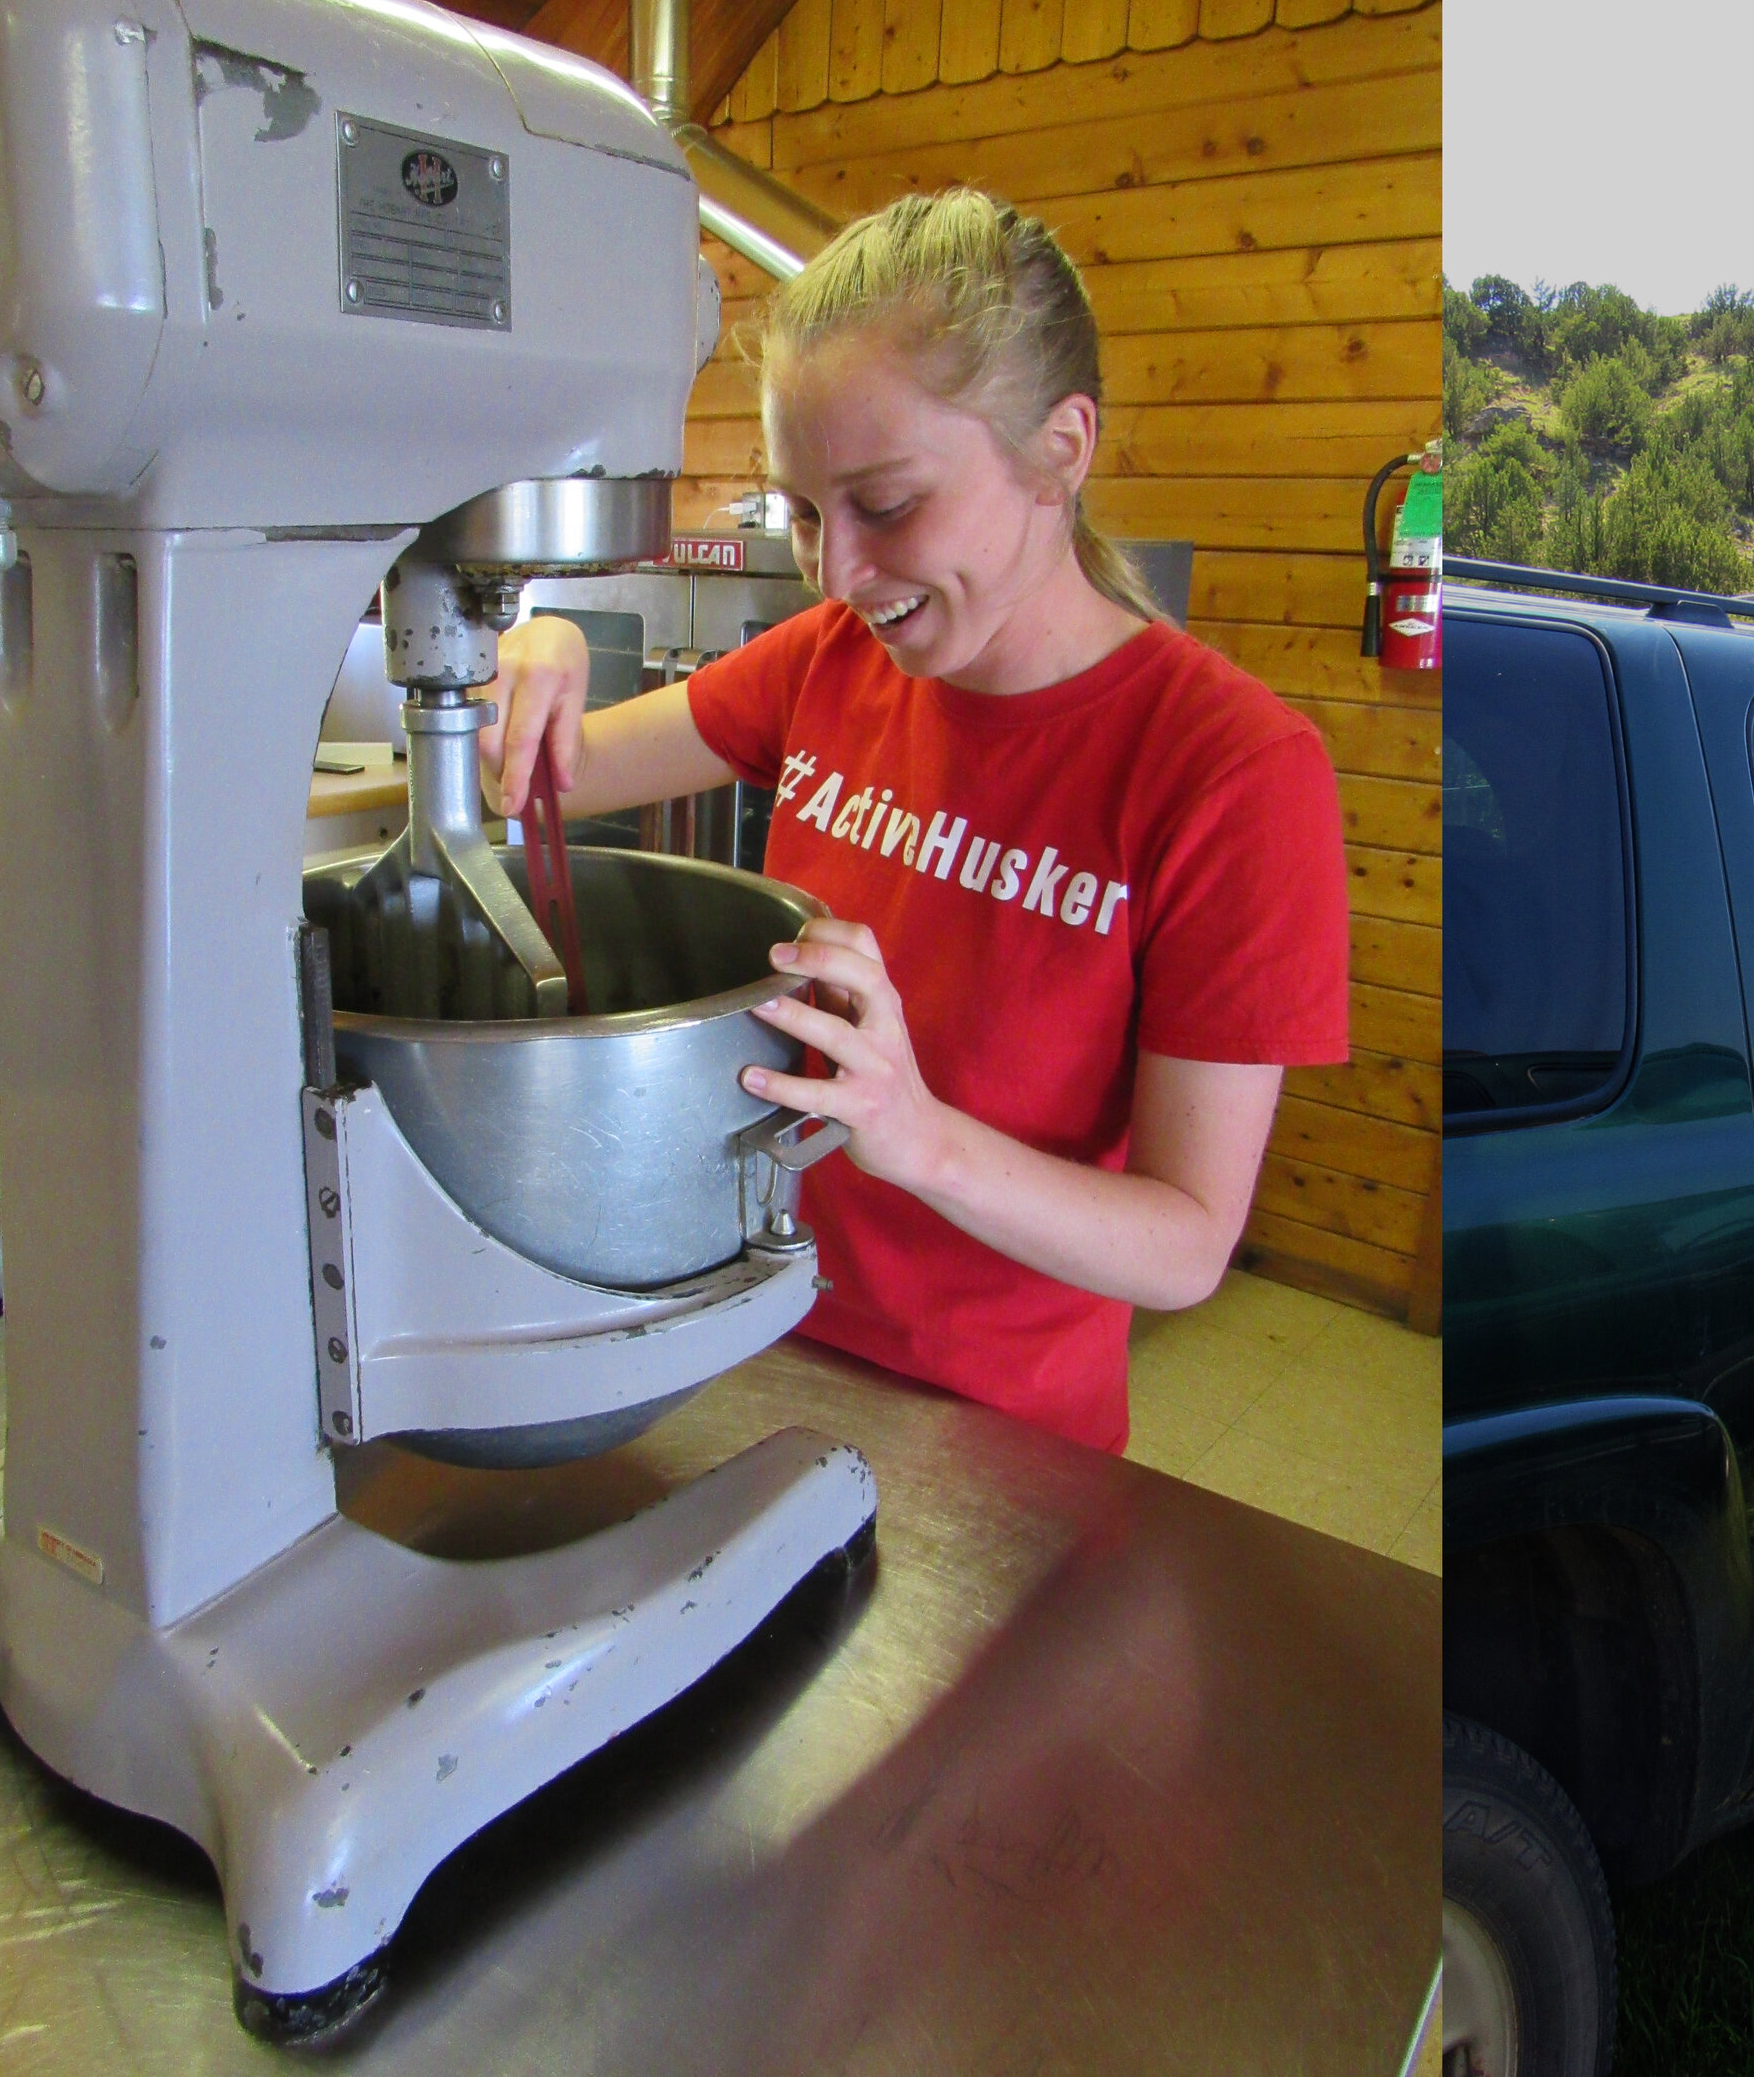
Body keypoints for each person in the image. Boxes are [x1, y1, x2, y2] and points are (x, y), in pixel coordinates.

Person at [478, 189, 1353, 1455]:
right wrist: (538, 646)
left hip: (987, 1436)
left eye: (884, 506)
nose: (832, 573)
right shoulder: (831, 657)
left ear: (1061, 448)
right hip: (740, 1341)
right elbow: (537, 777)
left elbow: (1184, 1242)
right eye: (801, 510)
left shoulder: (1229, 770)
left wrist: (915, 1133)